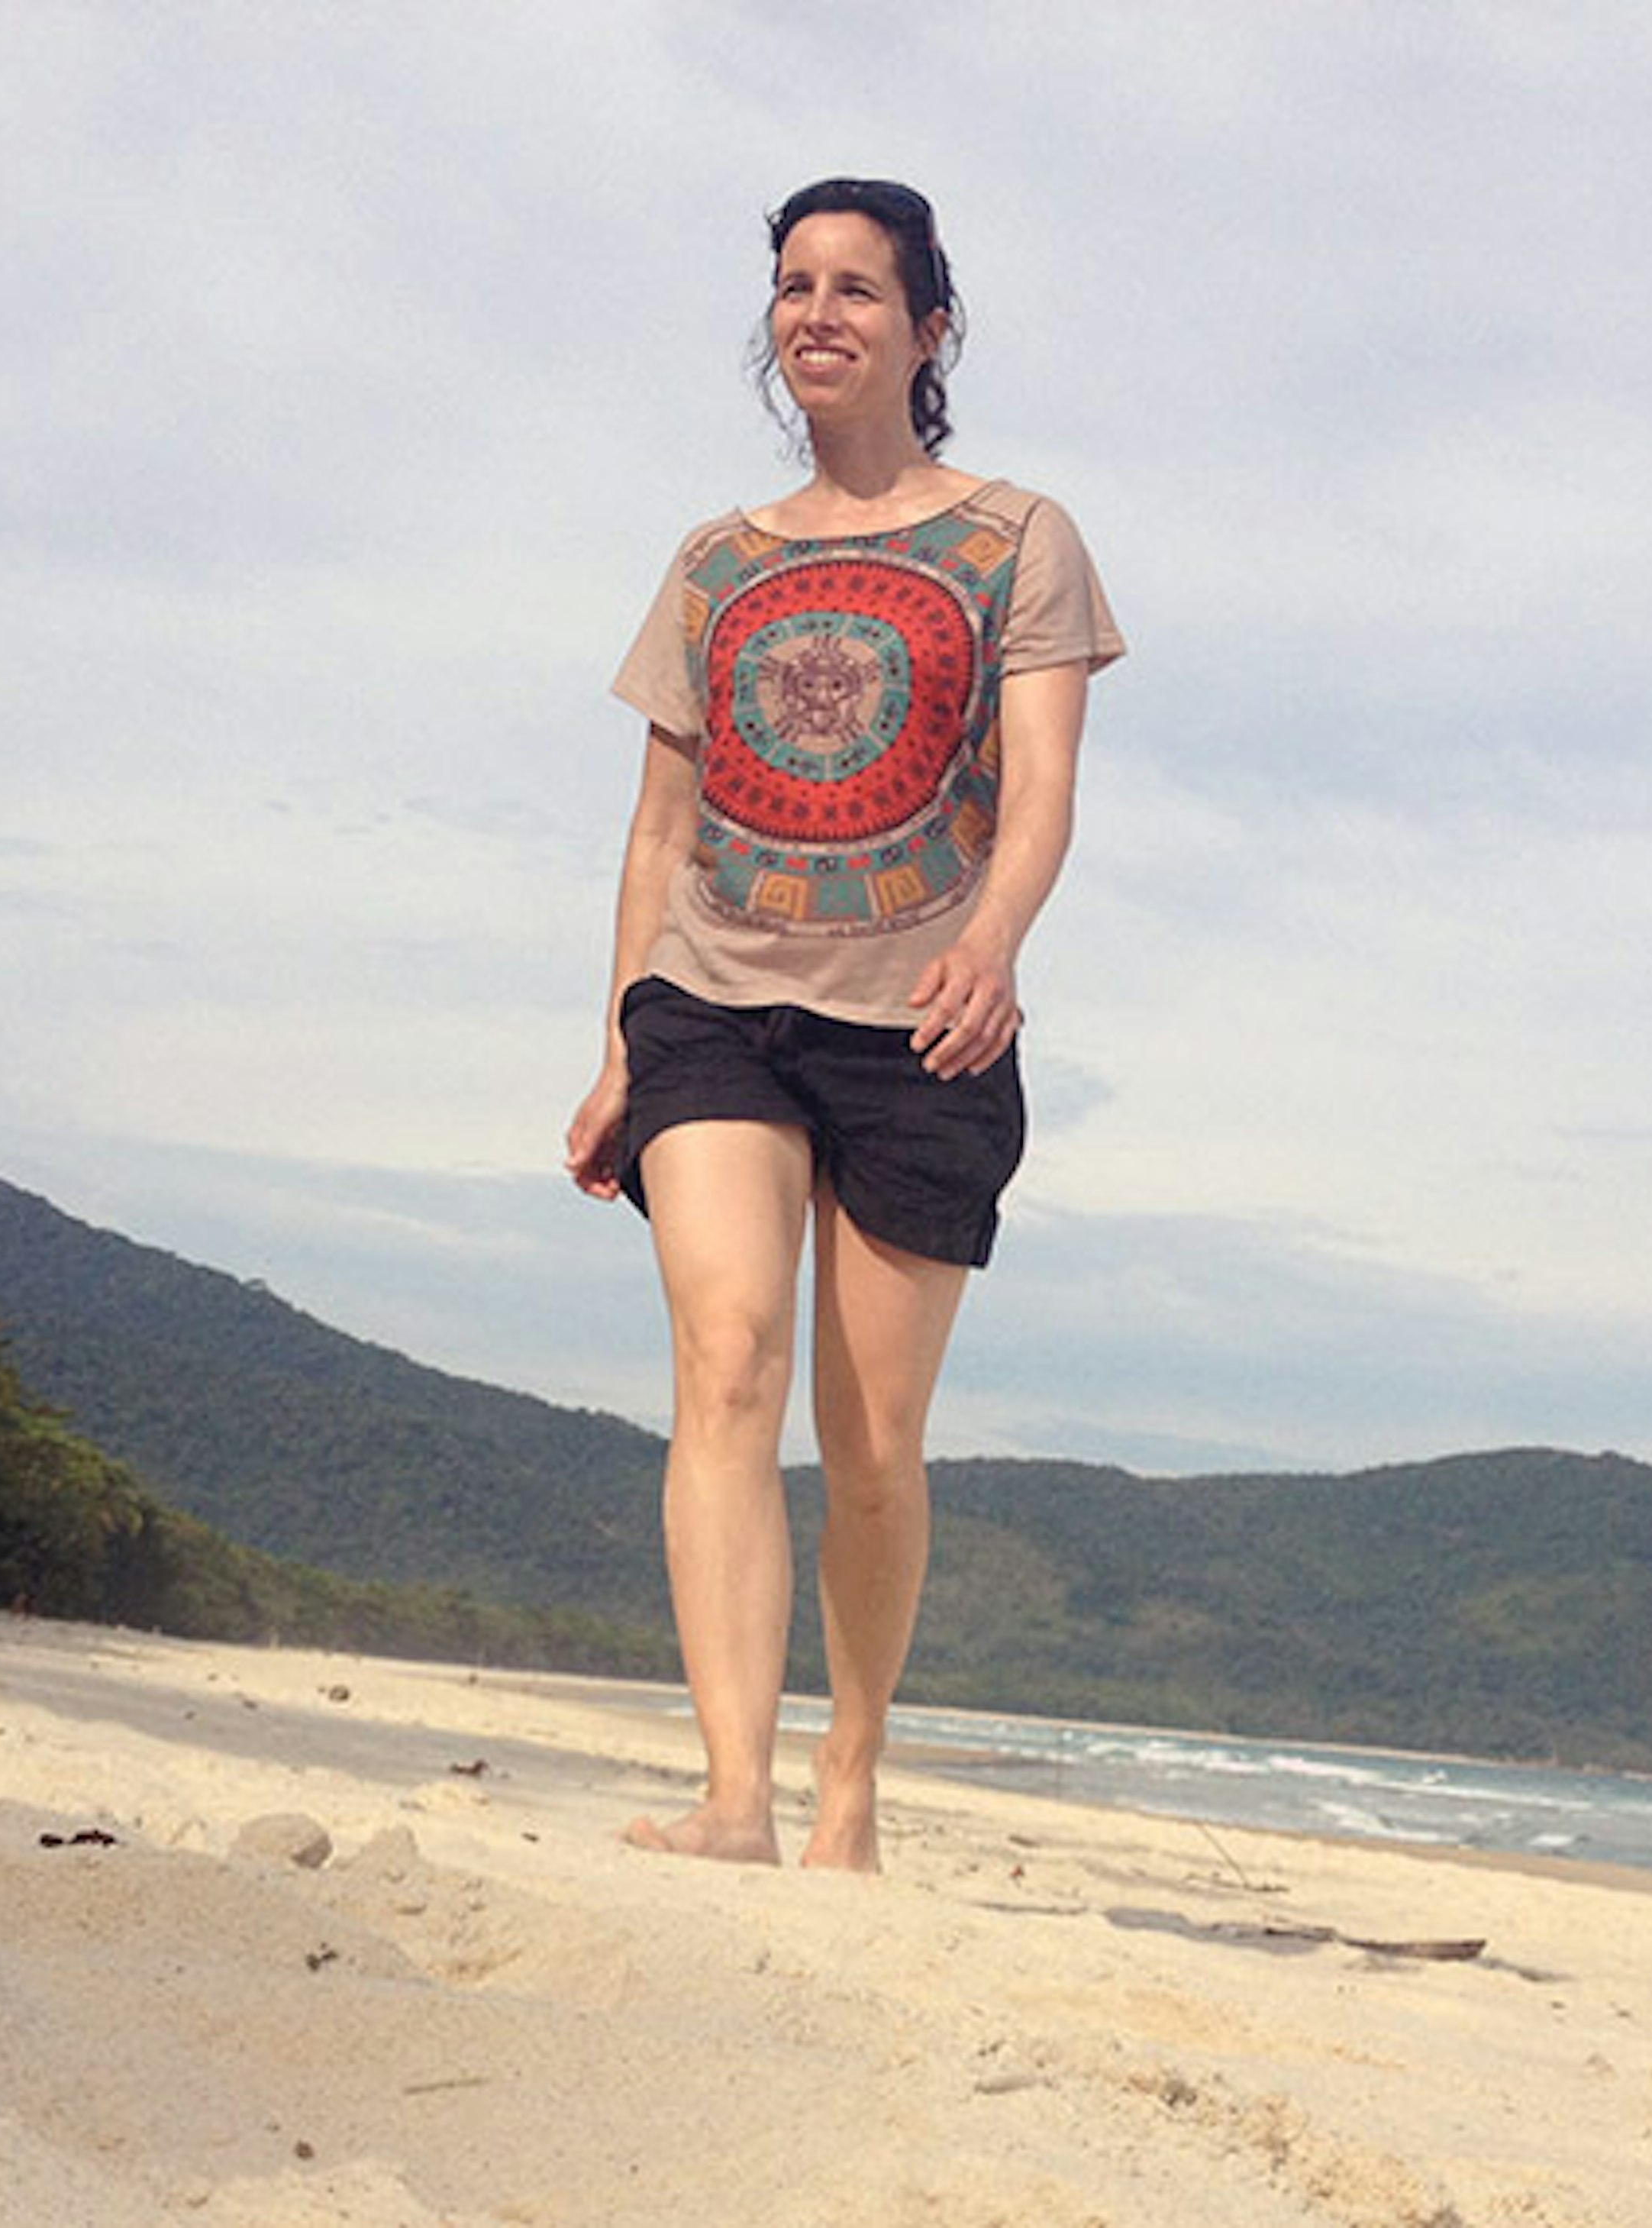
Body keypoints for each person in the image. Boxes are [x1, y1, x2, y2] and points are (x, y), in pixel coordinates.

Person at [563, 177, 1123, 1871]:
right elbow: (661, 829)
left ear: (927, 327)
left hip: (921, 1023)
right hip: (713, 1001)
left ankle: (850, 1779)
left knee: (869, 1441)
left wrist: (1001, 939)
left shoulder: (1019, 537)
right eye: (795, 287)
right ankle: (735, 1790)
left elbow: (1039, 796)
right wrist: (616, 1045)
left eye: (858, 290)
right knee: (725, 1361)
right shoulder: (714, 561)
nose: (819, 314)